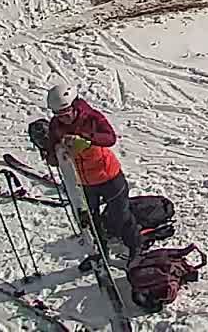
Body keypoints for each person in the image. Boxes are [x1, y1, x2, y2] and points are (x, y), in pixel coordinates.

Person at [43, 85, 143, 261]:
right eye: (58, 114)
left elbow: (110, 138)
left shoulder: (92, 118)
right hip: (83, 183)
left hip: (109, 176)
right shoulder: (55, 126)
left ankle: (136, 249)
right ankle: (101, 255)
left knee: (121, 216)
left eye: (66, 112)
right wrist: (55, 152)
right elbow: (52, 157)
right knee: (91, 221)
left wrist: (87, 139)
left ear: (75, 105)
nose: (63, 118)